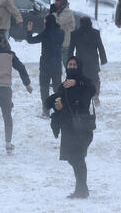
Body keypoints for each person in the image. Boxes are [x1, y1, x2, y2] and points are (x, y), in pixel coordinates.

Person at [45, 56, 96, 199]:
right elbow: (62, 105)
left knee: (77, 157)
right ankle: (81, 189)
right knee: (73, 159)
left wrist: (77, 82)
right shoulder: (63, 86)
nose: (72, 67)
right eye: (70, 65)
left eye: (74, 65)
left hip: (83, 127)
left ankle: (81, 190)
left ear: (79, 67)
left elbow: (92, 89)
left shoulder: (84, 82)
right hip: (68, 128)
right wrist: (57, 106)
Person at [26, 15, 64, 117]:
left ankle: (46, 110)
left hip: (45, 65)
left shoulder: (45, 34)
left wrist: (29, 30)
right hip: (56, 64)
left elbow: (30, 40)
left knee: (44, 88)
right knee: (57, 88)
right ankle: (59, 109)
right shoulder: (61, 33)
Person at [69, 17, 107, 106]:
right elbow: (100, 47)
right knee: (95, 79)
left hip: (80, 60)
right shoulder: (95, 33)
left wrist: (70, 61)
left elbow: (71, 49)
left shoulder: (75, 33)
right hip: (92, 60)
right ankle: (95, 96)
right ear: (90, 23)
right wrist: (103, 59)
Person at [52, 0, 75, 67]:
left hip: (66, 45)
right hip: (58, 43)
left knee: (68, 66)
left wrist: (52, 13)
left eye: (57, 1)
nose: (55, 3)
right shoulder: (58, 12)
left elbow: (57, 22)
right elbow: (47, 22)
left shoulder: (67, 12)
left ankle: (72, 78)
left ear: (62, 2)